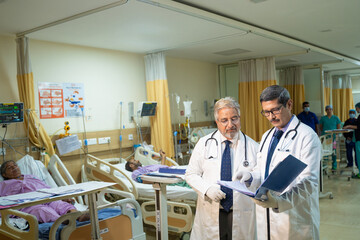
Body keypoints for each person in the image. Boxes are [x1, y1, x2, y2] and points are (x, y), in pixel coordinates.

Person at [236, 85, 321, 240]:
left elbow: (310, 182)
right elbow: (264, 171)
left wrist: (279, 202)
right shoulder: (267, 136)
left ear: (289, 104)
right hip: (266, 221)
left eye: (275, 110)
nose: (270, 117)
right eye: (266, 112)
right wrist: (250, 176)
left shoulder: (307, 137)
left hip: (295, 220)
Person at [185, 97, 259, 240]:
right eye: (224, 120)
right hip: (212, 209)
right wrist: (207, 189)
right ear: (217, 122)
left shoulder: (253, 147)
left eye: (234, 118)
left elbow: (260, 178)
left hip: (241, 211)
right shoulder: (204, 144)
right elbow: (191, 174)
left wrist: (251, 177)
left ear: (240, 118)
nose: (230, 124)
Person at [0, 160, 89, 223]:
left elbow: (48, 188)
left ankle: (78, 216)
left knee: (60, 204)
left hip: (46, 198)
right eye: (9, 167)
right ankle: (63, 221)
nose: (14, 168)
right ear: (4, 174)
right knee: (42, 211)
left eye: (15, 165)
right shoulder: (3, 184)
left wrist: (61, 197)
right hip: (28, 204)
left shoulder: (31, 177)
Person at [319, 105, 341, 170]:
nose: (329, 111)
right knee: (325, 150)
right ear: (326, 110)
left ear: (332, 110)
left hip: (334, 138)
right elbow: (321, 127)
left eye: (330, 109)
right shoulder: (323, 118)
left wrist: (336, 135)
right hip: (325, 138)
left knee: (334, 151)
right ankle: (324, 165)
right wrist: (325, 132)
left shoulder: (336, 118)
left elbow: (338, 127)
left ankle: (334, 165)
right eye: (327, 109)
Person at [343, 102, 360, 179]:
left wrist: (349, 126)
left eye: (356, 108)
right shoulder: (347, 120)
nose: (356, 110)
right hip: (354, 139)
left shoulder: (359, 118)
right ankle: (351, 164)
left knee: (358, 157)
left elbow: (358, 127)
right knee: (350, 153)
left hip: (358, 140)